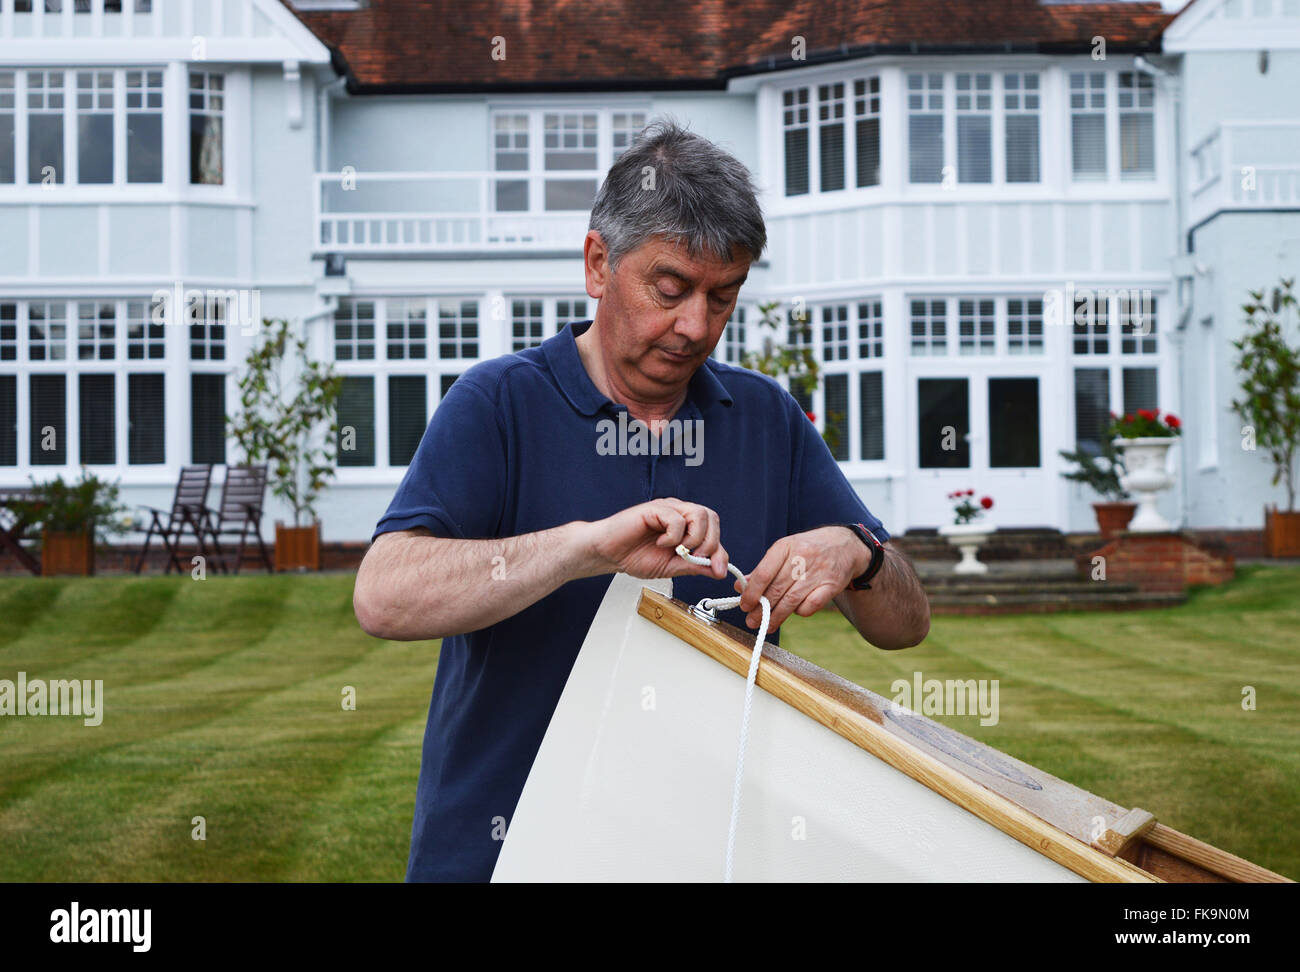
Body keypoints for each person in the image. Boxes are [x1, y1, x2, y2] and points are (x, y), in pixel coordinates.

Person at [353, 118, 930, 882]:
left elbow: (905, 627)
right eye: (670, 289)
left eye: (723, 298)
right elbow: (384, 596)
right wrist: (584, 549)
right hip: (500, 850)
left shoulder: (765, 419)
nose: (695, 326)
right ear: (599, 263)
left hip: (704, 852)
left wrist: (860, 554)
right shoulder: (497, 403)